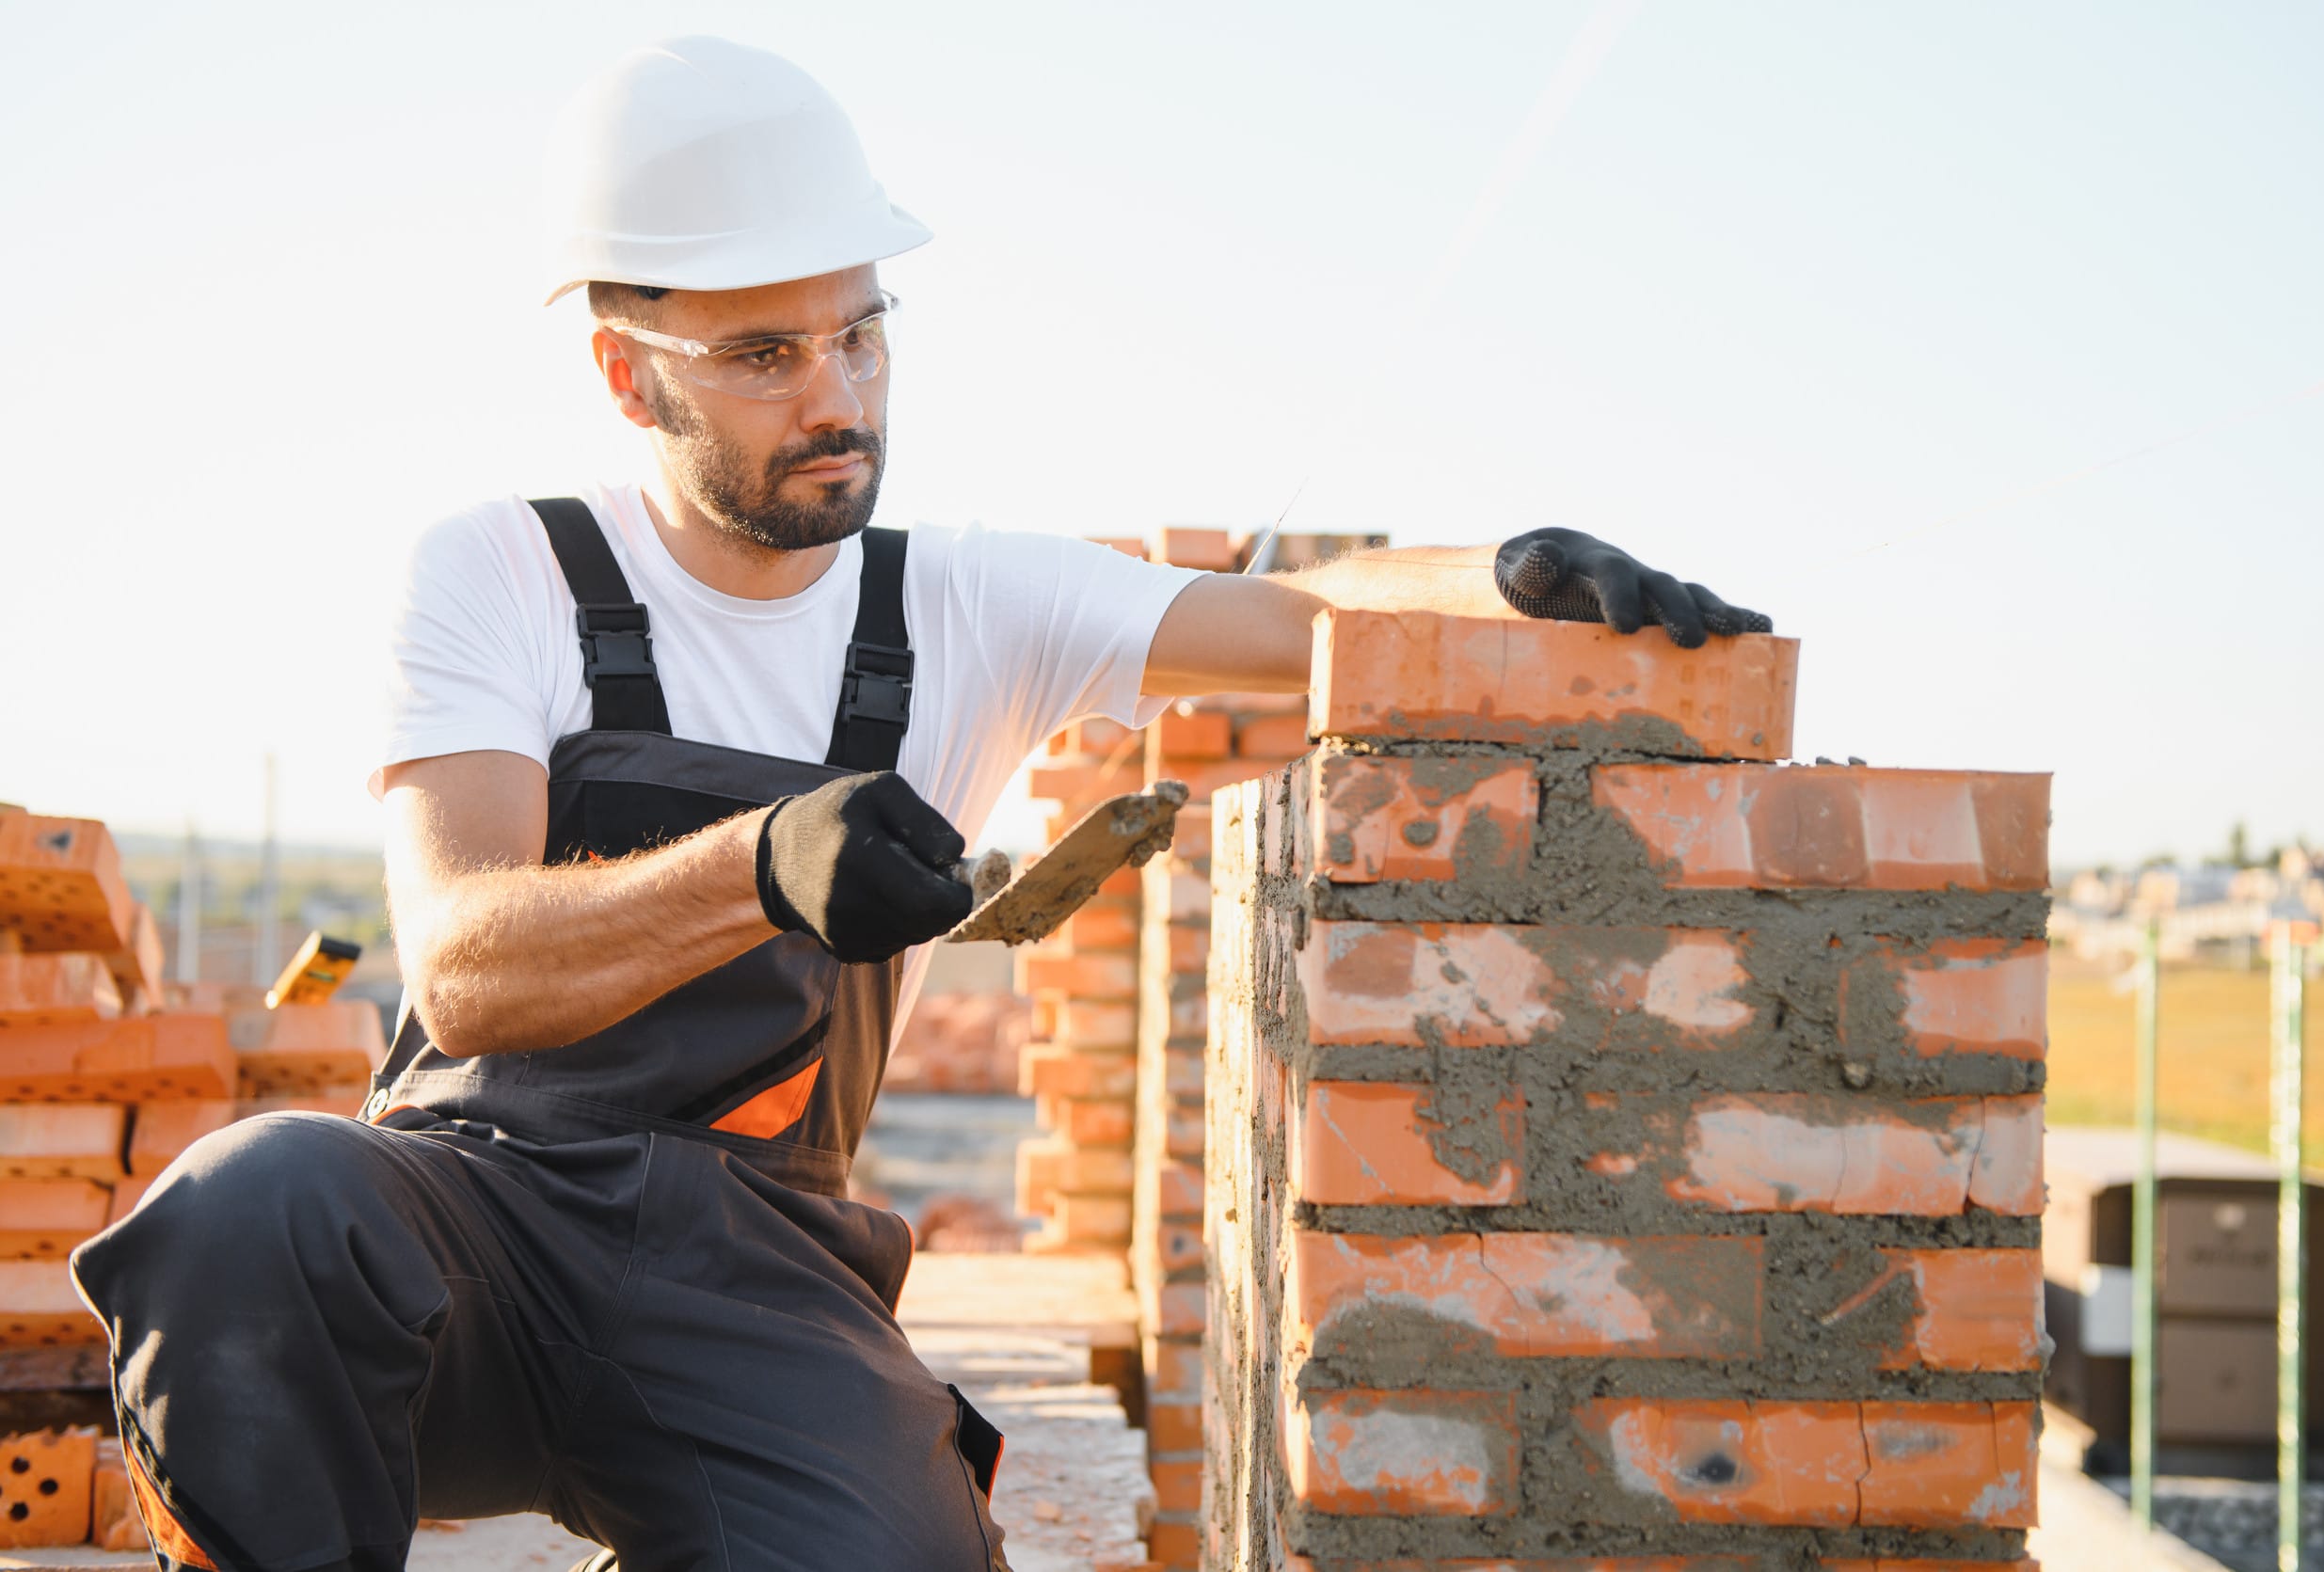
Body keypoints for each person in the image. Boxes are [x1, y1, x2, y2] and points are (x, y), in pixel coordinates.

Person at [70, 37, 1770, 1572]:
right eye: (763, 353)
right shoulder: (501, 573)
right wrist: (761, 867)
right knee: (249, 1207)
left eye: (862, 333)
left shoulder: (964, 605)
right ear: (623, 369)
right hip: (473, 1228)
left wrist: (1511, 573)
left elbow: (1302, 620)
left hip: (751, 1266)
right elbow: (466, 968)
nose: (839, 397)